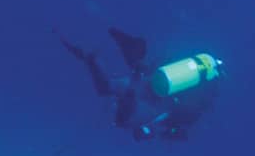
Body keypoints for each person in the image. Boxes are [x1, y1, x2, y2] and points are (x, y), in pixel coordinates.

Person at [58, 28, 222, 141]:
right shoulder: (203, 97)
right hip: (159, 104)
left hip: (148, 79)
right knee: (125, 120)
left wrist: (144, 71)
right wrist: (166, 131)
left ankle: (93, 60)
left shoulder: (187, 67)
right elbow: (180, 118)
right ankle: (128, 95)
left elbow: (162, 63)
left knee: (105, 88)